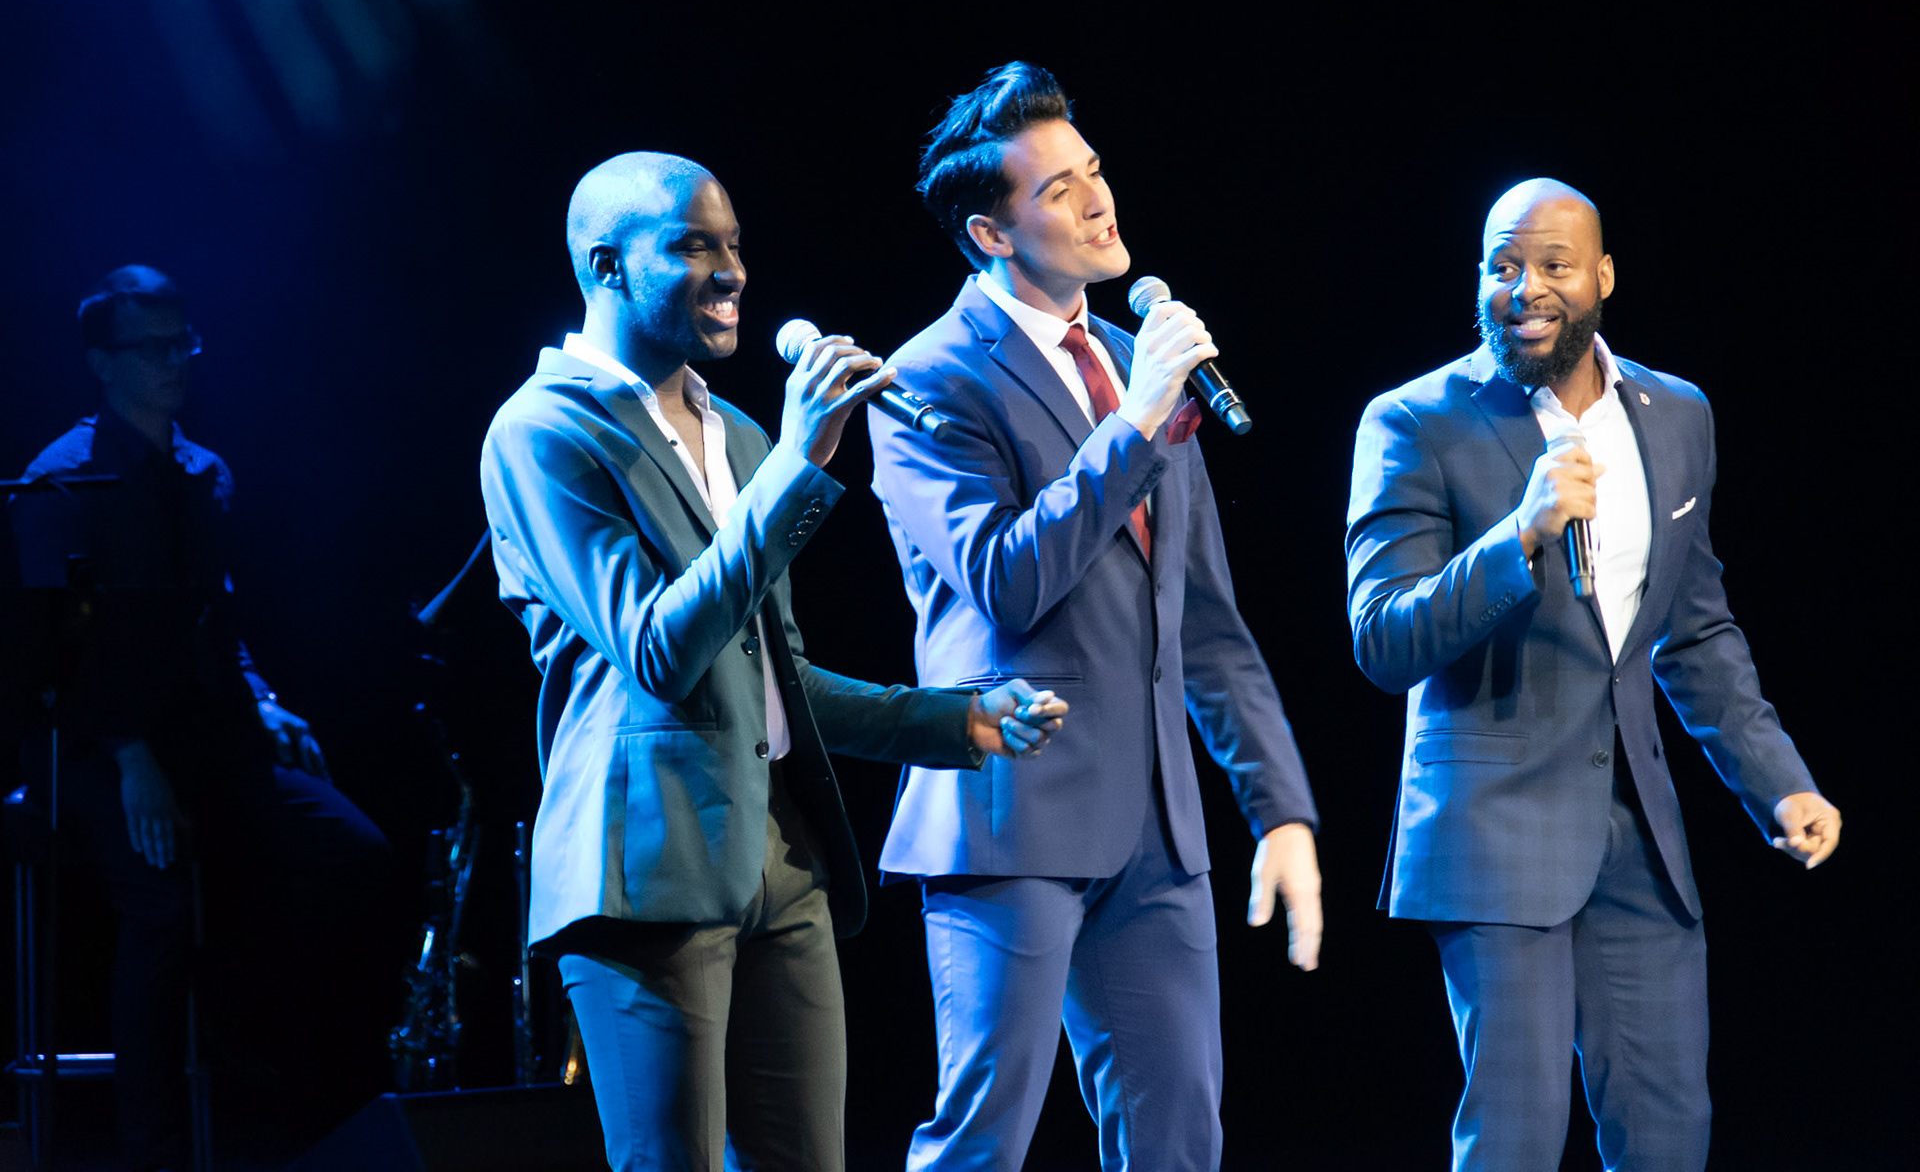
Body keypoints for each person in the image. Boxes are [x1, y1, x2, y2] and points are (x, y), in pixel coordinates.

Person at [477, 152, 1066, 1172]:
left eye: (736, 244)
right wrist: (796, 467)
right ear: (606, 265)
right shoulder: (542, 432)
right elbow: (659, 650)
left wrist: (952, 718)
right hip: (646, 867)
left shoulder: (741, 435)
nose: (732, 270)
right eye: (692, 246)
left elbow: (773, 681)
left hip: (781, 860)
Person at [866, 62, 1323, 1170]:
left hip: (1157, 826)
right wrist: (1136, 424)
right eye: (1058, 189)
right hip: (1012, 809)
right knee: (983, 1137)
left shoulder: (1131, 361)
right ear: (990, 233)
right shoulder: (927, 378)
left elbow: (1203, 618)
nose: (1097, 200)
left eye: (1095, 171)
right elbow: (1006, 579)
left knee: (1179, 1136)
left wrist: (1279, 808)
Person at [1344, 178, 1843, 1170]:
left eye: (1553, 265)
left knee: (1668, 1132)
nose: (1524, 287)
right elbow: (1383, 638)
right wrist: (1519, 535)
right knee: (1517, 1139)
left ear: (1603, 276)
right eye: (1502, 264)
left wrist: (1779, 780)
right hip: (1493, 826)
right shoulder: (1413, 420)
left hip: (1636, 835)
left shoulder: (1677, 414)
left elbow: (1694, 631)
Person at [7, 265, 392, 1172]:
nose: (175, 360)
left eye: (182, 342)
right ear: (102, 363)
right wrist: (131, 755)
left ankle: (264, 1061)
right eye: (152, 347)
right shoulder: (59, 483)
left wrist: (262, 699)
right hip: (92, 745)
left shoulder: (205, 472)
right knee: (161, 904)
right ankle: (155, 1151)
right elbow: (53, 658)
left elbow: (214, 620)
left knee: (351, 851)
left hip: (200, 732)